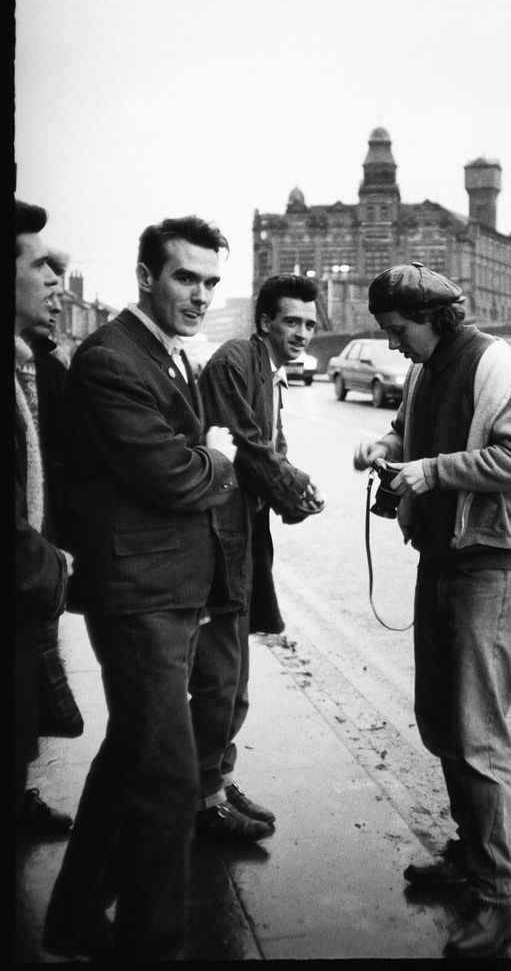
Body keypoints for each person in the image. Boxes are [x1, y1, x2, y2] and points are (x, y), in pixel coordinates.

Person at [42, 215, 241, 962]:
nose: (200, 295)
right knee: (167, 777)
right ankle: (152, 948)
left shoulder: (166, 354)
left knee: (131, 757)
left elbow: (179, 465)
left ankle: (70, 922)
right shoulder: (111, 359)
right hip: (138, 597)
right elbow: (174, 475)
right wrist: (214, 458)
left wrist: (203, 456)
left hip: (167, 592)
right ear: (146, 277)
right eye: (186, 277)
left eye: (211, 282)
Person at [353, 262, 511, 960]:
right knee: (440, 721)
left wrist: (430, 471)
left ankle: (496, 903)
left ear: (431, 316)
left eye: (398, 328)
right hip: (438, 564)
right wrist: (386, 449)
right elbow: (409, 432)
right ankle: (469, 853)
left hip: (487, 572)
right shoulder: (424, 369)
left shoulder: (498, 368)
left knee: (478, 737)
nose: (393, 341)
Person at [191, 273, 325, 843]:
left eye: (310, 325)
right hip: (217, 543)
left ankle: (218, 778)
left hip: (243, 541)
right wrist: (296, 489)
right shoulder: (234, 362)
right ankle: (203, 800)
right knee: (220, 677)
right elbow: (247, 447)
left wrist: (294, 498)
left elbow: (275, 450)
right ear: (265, 321)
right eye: (291, 322)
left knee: (237, 675)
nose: (302, 333)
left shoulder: (270, 371)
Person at [17, 246, 82, 836]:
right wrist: (47, 559)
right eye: (43, 272)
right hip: (27, 561)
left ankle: (16, 795)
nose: (57, 290)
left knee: (23, 695)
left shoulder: (41, 362)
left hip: (36, 562)